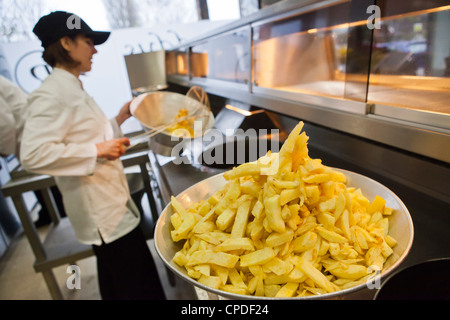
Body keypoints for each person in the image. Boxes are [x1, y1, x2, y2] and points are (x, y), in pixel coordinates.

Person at [20, 11, 166, 300]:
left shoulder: (72, 87)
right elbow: (32, 154)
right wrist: (97, 150)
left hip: (109, 204)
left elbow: (84, 134)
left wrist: (119, 119)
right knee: (136, 284)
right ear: (66, 43)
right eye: (88, 41)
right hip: (102, 214)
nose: (95, 49)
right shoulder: (51, 94)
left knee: (117, 279)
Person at [0, 75, 65, 226]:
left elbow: (5, 125)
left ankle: (55, 212)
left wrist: (4, 150)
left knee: (40, 174)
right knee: (39, 174)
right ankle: (51, 211)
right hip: (29, 129)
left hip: (28, 132)